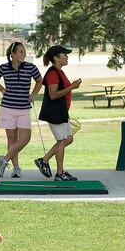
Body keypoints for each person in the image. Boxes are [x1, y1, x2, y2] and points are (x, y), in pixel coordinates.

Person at [0, 41, 43, 178]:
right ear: (12, 54)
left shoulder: (30, 67)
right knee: (12, 140)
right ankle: (16, 168)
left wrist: (34, 94)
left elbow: (39, 81)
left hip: (24, 108)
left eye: (24, 52)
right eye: (20, 52)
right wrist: (1, 89)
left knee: (25, 138)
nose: (23, 54)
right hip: (7, 108)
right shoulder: (4, 68)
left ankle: (4, 160)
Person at [35, 45, 82, 181]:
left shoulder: (59, 72)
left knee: (68, 139)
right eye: (64, 55)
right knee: (62, 141)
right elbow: (53, 94)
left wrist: (71, 86)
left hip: (61, 111)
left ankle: (44, 160)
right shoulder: (52, 73)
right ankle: (59, 173)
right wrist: (72, 87)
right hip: (55, 112)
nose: (67, 57)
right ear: (56, 58)